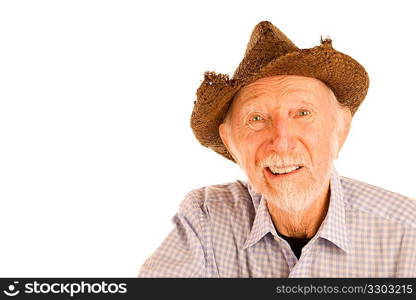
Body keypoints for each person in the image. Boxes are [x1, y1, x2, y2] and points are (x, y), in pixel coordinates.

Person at [138, 21, 416, 277]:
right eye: (256, 119)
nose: (281, 141)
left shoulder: (407, 231)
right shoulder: (206, 217)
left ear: (341, 128)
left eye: (303, 113)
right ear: (230, 142)